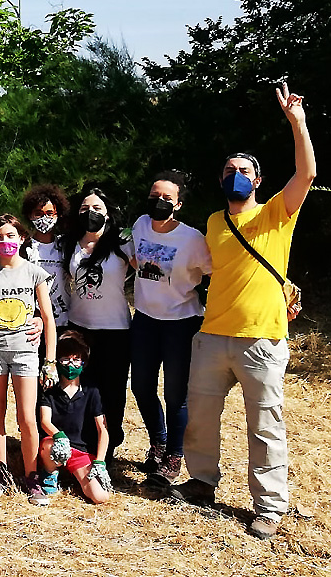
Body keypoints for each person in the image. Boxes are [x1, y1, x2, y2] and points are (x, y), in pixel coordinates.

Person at [168, 83, 314, 541]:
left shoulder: (276, 214)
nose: (236, 174)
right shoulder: (212, 222)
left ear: (258, 181)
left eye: (245, 170)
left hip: (261, 338)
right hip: (213, 335)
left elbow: (306, 174)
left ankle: (269, 505)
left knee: (265, 424)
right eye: (230, 169)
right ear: (221, 179)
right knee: (201, 417)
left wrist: (298, 122)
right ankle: (201, 482)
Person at [128, 171, 211, 487]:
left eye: (166, 198)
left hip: (181, 323)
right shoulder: (140, 225)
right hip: (146, 320)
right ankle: (158, 442)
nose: (159, 201)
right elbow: (137, 259)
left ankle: (174, 456)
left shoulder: (192, 239)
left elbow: (213, 271)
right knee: (141, 387)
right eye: (154, 195)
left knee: (176, 395)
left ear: (178, 204)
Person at [0, 215, 58, 504]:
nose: (4, 242)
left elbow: (48, 318)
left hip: (25, 353)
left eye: (10, 236)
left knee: (27, 417)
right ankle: (0, 470)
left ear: (21, 239)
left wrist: (50, 360)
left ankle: (32, 476)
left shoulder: (34, 273)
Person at [62, 187, 131, 463]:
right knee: (81, 388)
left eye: (97, 209)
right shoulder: (69, 243)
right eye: (85, 209)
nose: (90, 213)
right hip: (79, 328)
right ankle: (82, 443)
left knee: (112, 391)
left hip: (116, 330)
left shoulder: (123, 243)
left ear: (108, 213)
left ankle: (108, 445)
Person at [37, 331, 111, 505]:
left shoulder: (91, 390)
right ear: (57, 362)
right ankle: (50, 473)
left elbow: (103, 430)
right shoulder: (49, 389)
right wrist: (59, 436)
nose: (71, 365)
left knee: (100, 497)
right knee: (49, 446)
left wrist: (100, 462)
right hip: (56, 445)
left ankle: (75, 476)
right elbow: (44, 421)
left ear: (83, 363)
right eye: (65, 360)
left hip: (81, 451)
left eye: (76, 360)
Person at [20, 184, 72, 332]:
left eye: (50, 213)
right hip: (32, 321)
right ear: (30, 215)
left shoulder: (65, 246)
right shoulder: (24, 247)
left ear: (58, 214)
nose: (45, 218)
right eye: (39, 213)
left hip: (63, 319)